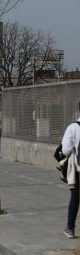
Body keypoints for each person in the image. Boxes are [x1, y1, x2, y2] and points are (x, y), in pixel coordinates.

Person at [61, 100, 80, 238]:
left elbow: (65, 150)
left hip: (78, 170)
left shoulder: (73, 128)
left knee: (75, 198)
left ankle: (70, 228)